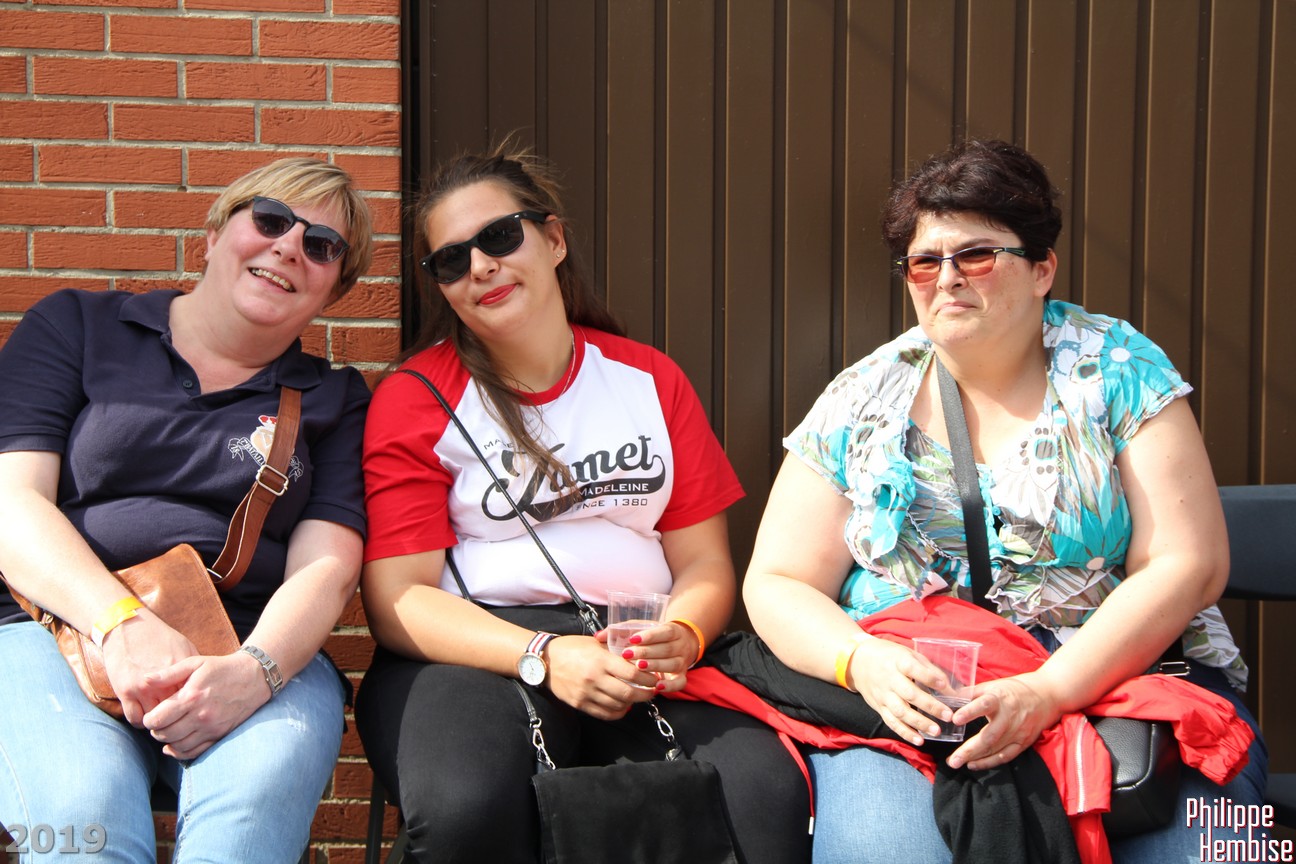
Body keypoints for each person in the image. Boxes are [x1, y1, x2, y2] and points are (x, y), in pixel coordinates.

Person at [741, 139, 1267, 862]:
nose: (948, 279)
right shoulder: (862, 397)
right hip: (918, 701)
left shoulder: (1117, 368)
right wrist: (859, 661)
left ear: (1043, 268)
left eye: (977, 255)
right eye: (925, 262)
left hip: (1122, 682)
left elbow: (1188, 562)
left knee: (1209, 852)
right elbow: (777, 580)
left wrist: (1050, 691)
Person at [356, 145, 811, 863]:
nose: (480, 266)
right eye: (451, 260)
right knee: (468, 807)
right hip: (481, 651)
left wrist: (685, 634)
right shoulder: (417, 397)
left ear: (554, 239)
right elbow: (397, 600)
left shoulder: (648, 379)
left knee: (762, 794)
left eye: (499, 237)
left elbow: (704, 563)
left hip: (639, 647)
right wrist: (543, 656)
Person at [0, 157, 373, 863]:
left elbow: (327, 569)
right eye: (270, 220)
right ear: (213, 233)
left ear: (334, 288)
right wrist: (121, 623)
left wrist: (256, 671)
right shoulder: (77, 326)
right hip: (50, 630)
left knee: (246, 825)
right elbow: (10, 504)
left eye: (322, 245)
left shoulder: (336, 399)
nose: (290, 247)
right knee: (82, 821)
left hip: (252, 648)